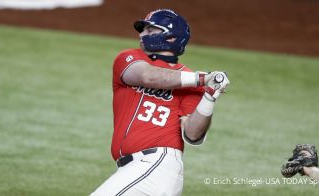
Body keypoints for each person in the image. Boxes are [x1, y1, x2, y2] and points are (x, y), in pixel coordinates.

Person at [90, 9, 230, 196]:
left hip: (157, 164)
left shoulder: (192, 83)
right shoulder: (129, 58)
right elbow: (147, 76)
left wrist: (210, 96)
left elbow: (192, 134)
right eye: (142, 30)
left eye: (150, 30)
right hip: (136, 170)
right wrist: (203, 78)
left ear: (171, 37)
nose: (142, 34)